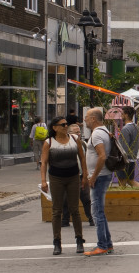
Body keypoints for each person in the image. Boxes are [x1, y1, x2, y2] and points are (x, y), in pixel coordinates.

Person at [39, 116, 88, 255]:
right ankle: (57, 242)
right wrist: (43, 181)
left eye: (66, 124)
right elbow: (44, 163)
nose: (66, 126)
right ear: (54, 128)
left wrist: (85, 175)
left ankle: (79, 240)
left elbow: (82, 158)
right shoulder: (49, 142)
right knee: (56, 211)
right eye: (62, 125)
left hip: (73, 177)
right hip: (56, 178)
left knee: (75, 209)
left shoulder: (74, 139)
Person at [83, 108, 113, 256]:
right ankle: (107, 243)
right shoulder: (104, 131)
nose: (85, 120)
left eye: (87, 117)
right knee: (99, 211)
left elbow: (102, 156)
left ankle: (102, 244)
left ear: (94, 119)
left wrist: (93, 176)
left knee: (97, 212)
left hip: (100, 176)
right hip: (103, 175)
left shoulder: (96, 134)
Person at [61, 123, 93, 227]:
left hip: (81, 175)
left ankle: (91, 218)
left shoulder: (83, 144)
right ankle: (65, 219)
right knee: (66, 200)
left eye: (79, 132)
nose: (78, 134)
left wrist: (87, 174)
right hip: (67, 176)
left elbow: (86, 159)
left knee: (86, 198)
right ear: (69, 133)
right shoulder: (64, 144)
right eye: (76, 132)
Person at [116, 106, 139, 188]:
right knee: (130, 180)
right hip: (132, 157)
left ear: (126, 115)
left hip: (125, 159)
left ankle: (122, 199)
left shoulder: (125, 129)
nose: (121, 116)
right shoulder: (135, 127)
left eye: (122, 114)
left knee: (122, 181)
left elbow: (123, 146)